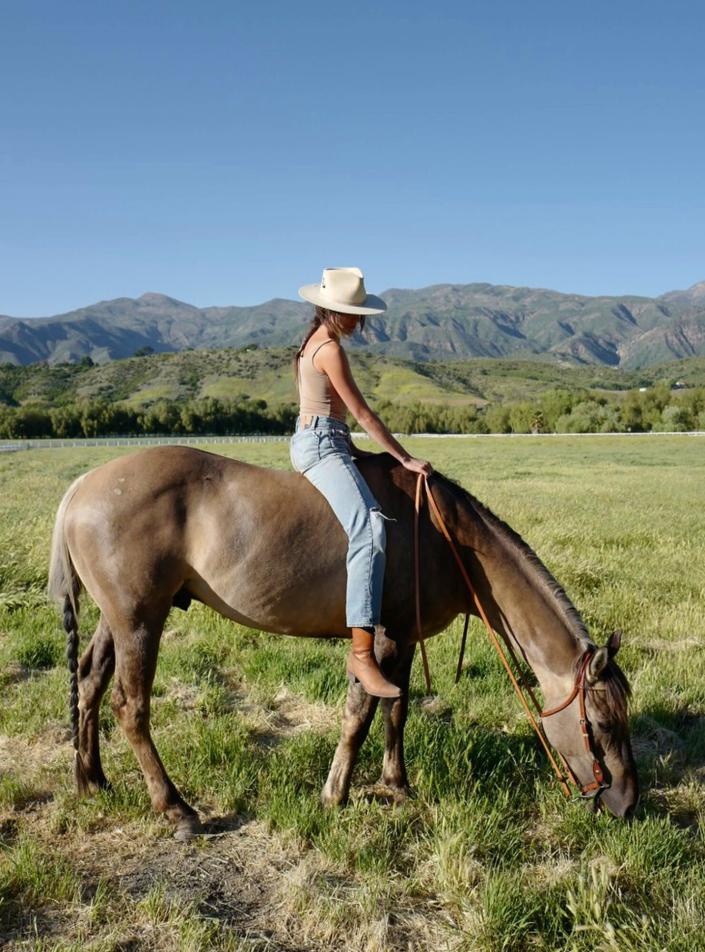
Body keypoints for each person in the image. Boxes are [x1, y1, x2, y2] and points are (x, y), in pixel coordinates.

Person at [290, 267, 433, 699]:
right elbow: (364, 414)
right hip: (322, 444)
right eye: (351, 313)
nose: (357, 321)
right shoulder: (329, 350)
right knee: (370, 528)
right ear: (331, 310)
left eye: (358, 313)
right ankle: (362, 652)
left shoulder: (311, 342)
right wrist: (404, 457)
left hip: (326, 438)